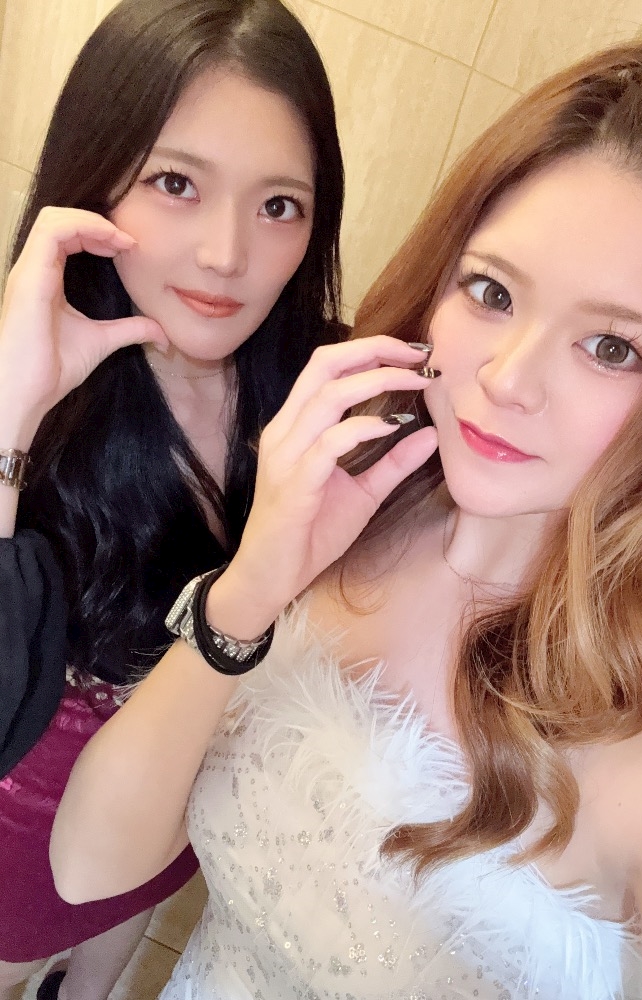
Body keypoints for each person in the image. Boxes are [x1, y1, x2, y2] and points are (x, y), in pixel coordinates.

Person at [51, 40, 642, 1000]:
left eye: (611, 347)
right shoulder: (354, 508)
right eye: (492, 292)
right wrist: (249, 585)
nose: (507, 379)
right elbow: (89, 866)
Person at [0, 0, 345, 997]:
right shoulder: (23, 384)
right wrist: (11, 413)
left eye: (279, 205)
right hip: (16, 837)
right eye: (177, 184)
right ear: (94, 175)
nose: (227, 255)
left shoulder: (313, 393)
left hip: (165, 832)